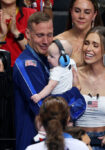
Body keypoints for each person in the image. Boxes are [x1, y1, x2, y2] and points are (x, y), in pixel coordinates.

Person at [13, 12, 53, 150]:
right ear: (28, 34)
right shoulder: (27, 64)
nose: (46, 41)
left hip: (47, 141)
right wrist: (75, 94)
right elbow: (44, 108)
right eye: (40, 35)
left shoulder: (46, 60)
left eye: (49, 35)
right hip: (31, 142)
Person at [55, 0, 105, 71]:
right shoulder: (58, 41)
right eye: (77, 11)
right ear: (71, 12)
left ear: (94, 15)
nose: (81, 16)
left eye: (87, 12)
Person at [0, 0, 36, 66]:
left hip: (24, 69)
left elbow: (35, 51)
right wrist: (2, 35)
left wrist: (16, 32)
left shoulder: (31, 14)